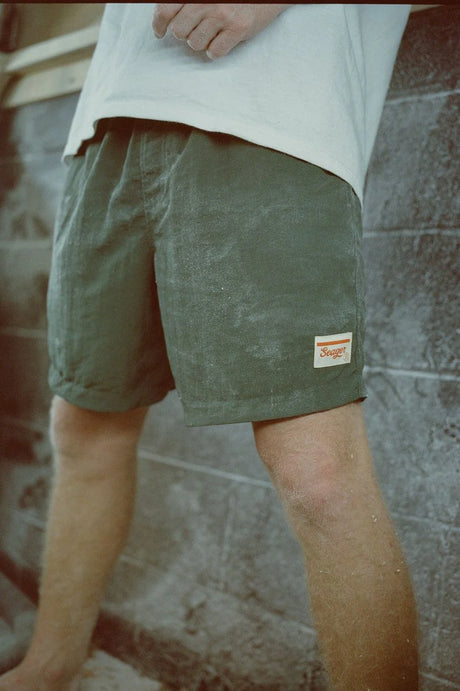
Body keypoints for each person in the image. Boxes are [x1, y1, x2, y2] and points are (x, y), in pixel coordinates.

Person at [0, 4, 419, 690]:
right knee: (84, 425)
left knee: (316, 471)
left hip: (276, 117)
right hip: (106, 129)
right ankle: (50, 664)